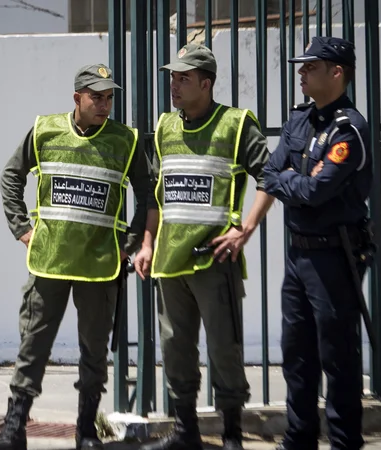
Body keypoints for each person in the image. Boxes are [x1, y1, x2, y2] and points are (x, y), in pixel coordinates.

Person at [0, 63, 157, 450]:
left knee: (94, 352)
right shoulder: (46, 129)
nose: (104, 105)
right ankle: (13, 429)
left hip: (100, 266)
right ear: (77, 98)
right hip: (49, 260)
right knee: (33, 346)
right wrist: (22, 228)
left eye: (109, 97)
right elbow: (11, 175)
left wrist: (130, 243)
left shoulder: (125, 140)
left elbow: (148, 194)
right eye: (96, 97)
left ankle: (85, 431)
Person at [134, 43, 275, 450]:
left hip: (215, 260)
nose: (174, 86)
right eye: (172, 78)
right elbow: (156, 197)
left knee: (224, 350)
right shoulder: (164, 128)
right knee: (175, 350)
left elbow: (271, 177)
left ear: (206, 83)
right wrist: (146, 244)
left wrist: (245, 229)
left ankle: (232, 436)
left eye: (183, 79)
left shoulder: (235, 124)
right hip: (169, 261)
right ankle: (185, 434)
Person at [262, 36, 372, 450]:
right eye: (302, 67)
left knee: (337, 356)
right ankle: (299, 438)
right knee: (297, 354)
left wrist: (293, 182)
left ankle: (344, 441)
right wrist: (296, 181)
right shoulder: (299, 120)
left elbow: (314, 192)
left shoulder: (350, 130)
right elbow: (268, 173)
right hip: (299, 254)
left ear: (337, 72)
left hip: (334, 254)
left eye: (310, 67)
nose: (301, 73)